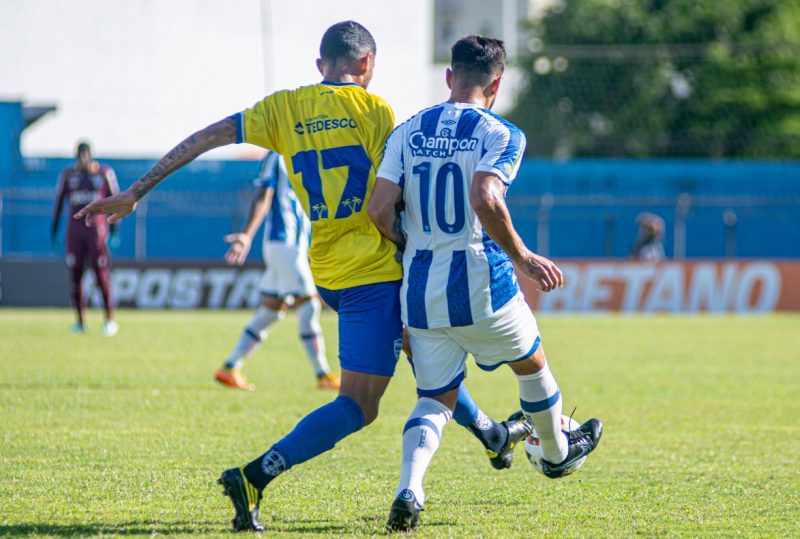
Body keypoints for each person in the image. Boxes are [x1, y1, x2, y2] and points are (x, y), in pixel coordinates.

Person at [75, 21, 527, 532]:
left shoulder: (282, 108)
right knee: (360, 402)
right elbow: (390, 200)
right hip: (375, 270)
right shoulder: (376, 110)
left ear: (321, 66)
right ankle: (253, 476)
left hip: (329, 269)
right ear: (367, 66)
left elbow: (205, 138)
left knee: (425, 349)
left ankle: (490, 432)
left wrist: (137, 190)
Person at [368, 35, 604, 531]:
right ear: (496, 83)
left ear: (450, 76)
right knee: (531, 363)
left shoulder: (408, 130)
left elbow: (378, 209)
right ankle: (558, 451)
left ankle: (409, 490)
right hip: (480, 280)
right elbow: (484, 194)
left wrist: (411, 243)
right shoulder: (501, 133)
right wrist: (522, 255)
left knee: (435, 397)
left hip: (419, 289)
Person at [215, 151, 340, 391]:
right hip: (284, 245)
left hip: (293, 246)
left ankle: (230, 367)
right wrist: (246, 234)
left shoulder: (308, 151)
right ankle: (323, 374)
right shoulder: (279, 154)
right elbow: (263, 195)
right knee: (310, 304)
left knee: (272, 309)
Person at [52, 141, 120, 336]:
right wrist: (54, 232)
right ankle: (80, 322)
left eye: (86, 155)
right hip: (75, 233)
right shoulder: (68, 175)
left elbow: (116, 202)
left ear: (90, 155)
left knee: (101, 276)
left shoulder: (104, 173)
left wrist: (114, 232)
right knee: (76, 276)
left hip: (96, 233)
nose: (83, 159)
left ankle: (109, 320)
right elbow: (58, 204)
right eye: (80, 155)